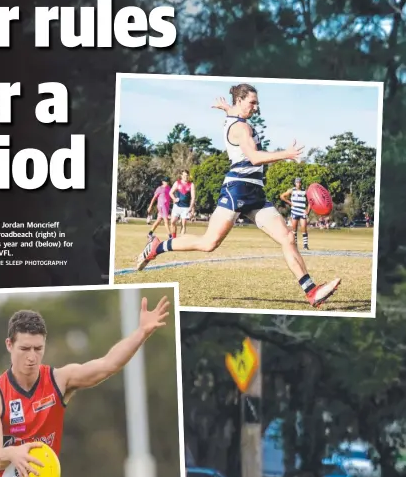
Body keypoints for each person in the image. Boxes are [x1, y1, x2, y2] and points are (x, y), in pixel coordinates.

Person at [0, 296, 171, 477]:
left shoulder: (59, 380)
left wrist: (141, 332)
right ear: (9, 345)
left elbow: (107, 365)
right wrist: (13, 453)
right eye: (24, 349)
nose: (32, 357)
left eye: (38, 348)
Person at [134, 83, 340, 308]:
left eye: (257, 103)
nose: (256, 107)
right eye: (252, 102)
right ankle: (157, 247)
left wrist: (226, 108)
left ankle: (311, 291)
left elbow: (234, 114)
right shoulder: (241, 128)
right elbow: (254, 158)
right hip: (237, 189)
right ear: (240, 100)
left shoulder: (236, 117)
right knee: (208, 243)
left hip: (255, 191)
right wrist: (286, 154)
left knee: (288, 238)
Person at [280, 177, 311, 250]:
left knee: (304, 228)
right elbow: (282, 196)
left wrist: (308, 210)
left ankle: (305, 245)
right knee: (294, 229)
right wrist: (290, 203)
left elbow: (310, 201)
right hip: (294, 211)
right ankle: (295, 244)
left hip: (302, 211)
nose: (298, 184)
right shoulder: (292, 190)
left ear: (301, 183)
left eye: (299, 182)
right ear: (295, 183)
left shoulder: (305, 191)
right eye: (297, 182)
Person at [169, 170, 196, 238]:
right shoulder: (177, 183)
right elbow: (170, 193)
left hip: (186, 208)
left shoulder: (191, 185)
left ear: (188, 176)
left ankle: (181, 240)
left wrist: (191, 208)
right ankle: (174, 238)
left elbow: (193, 198)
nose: (185, 177)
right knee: (172, 222)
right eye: (184, 175)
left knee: (183, 224)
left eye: (187, 176)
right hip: (177, 206)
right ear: (181, 176)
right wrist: (174, 199)